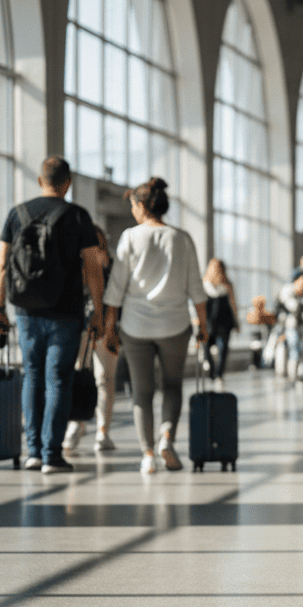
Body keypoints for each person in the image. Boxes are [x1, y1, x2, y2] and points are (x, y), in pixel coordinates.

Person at [0, 157, 105, 475]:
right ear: (67, 183)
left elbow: (2, 264)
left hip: (26, 310)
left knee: (33, 375)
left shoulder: (18, 214)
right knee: (58, 380)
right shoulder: (78, 216)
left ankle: (33, 453)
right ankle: (52, 455)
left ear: (41, 181)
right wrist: (98, 310)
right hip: (66, 312)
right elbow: (94, 268)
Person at [102, 178, 209, 475]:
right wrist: (203, 324)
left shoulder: (130, 238)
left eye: (133, 205)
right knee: (172, 386)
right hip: (175, 325)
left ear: (141, 206)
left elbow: (115, 289)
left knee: (142, 392)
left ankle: (148, 454)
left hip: (136, 327)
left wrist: (110, 327)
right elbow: (196, 289)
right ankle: (167, 438)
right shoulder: (182, 238)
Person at [63, 225, 119, 453]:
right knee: (80, 375)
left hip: (107, 327)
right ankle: (76, 425)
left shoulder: (112, 265)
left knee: (104, 379)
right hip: (79, 327)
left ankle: (102, 433)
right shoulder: (74, 265)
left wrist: (111, 328)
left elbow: (116, 299)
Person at [202, 258, 239, 390]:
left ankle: (219, 375)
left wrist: (237, 321)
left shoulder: (227, 286)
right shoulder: (205, 285)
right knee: (206, 349)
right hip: (209, 322)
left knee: (223, 349)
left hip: (224, 322)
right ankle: (212, 372)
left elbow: (233, 304)